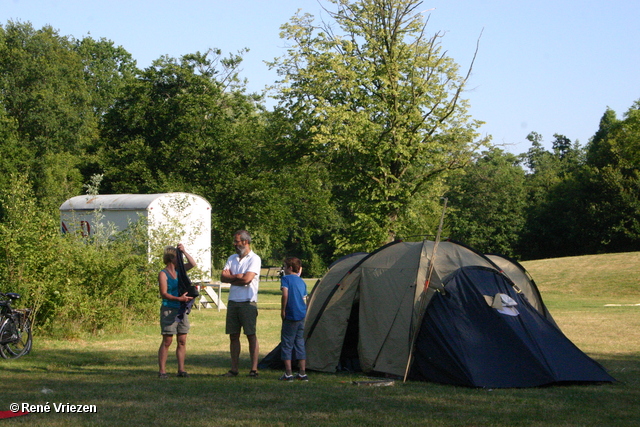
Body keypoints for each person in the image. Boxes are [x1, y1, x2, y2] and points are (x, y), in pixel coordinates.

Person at [220, 230, 261, 377]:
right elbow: (222, 277)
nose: (234, 244)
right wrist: (237, 276)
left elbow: (247, 279)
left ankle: (254, 369)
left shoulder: (254, 259)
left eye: (237, 241)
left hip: (248, 302)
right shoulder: (232, 258)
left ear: (245, 242)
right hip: (233, 301)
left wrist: (233, 278)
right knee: (233, 335)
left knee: (250, 334)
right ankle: (234, 368)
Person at [158, 243, 196, 379]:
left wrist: (184, 251)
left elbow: (192, 264)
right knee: (167, 340)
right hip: (169, 309)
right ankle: (162, 371)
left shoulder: (180, 270)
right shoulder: (163, 274)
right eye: (177, 257)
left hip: (181, 309)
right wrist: (179, 299)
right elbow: (164, 293)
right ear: (170, 258)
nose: (179, 259)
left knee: (182, 340)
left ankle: (181, 370)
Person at [278, 256, 308, 381]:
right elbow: (304, 299)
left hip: (291, 314)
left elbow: (285, 294)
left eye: (285, 267)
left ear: (290, 268)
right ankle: (302, 372)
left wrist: (283, 309)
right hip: (301, 314)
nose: (284, 269)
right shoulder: (302, 281)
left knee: (287, 343)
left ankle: (288, 373)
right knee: (300, 342)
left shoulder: (286, 279)